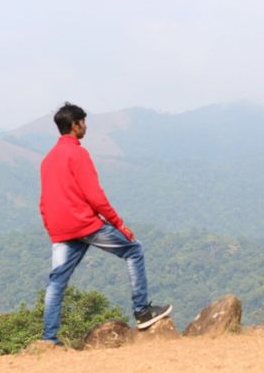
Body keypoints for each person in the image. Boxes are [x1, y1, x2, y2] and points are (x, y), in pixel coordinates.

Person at [39, 102, 172, 344]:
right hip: (84, 224)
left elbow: (43, 201)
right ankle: (142, 311)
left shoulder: (47, 159)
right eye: (83, 122)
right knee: (134, 250)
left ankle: (49, 338)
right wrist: (119, 225)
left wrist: (52, 227)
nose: (85, 126)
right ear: (75, 125)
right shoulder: (78, 154)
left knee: (57, 281)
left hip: (60, 229)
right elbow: (95, 197)